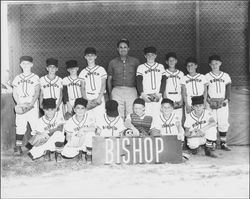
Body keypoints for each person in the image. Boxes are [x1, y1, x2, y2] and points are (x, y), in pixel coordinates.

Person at [12, 56, 40, 155]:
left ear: (32, 65)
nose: (26, 65)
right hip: (21, 104)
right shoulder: (17, 78)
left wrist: (31, 104)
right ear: (20, 65)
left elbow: (37, 92)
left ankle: (32, 147)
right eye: (23, 63)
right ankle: (18, 147)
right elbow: (15, 93)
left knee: (35, 126)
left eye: (28, 63)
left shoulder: (35, 77)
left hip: (31, 104)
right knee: (20, 126)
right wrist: (19, 104)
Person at [107, 38, 140, 120]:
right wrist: (111, 93)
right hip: (117, 90)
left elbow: (139, 79)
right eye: (121, 47)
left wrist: (139, 92)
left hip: (131, 89)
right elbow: (109, 80)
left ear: (128, 49)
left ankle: (130, 132)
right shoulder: (112, 62)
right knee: (118, 114)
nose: (123, 49)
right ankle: (120, 131)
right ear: (117, 49)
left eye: (125, 47)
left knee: (132, 114)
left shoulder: (135, 61)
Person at [205, 55, 232, 151]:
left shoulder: (225, 75)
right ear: (209, 65)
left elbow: (228, 89)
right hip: (211, 102)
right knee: (212, 122)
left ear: (220, 63)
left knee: (223, 122)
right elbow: (205, 90)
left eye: (216, 63)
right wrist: (208, 100)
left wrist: (226, 100)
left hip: (222, 102)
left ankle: (223, 143)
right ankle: (212, 143)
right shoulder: (207, 76)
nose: (214, 65)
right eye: (212, 64)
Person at [61, 98, 96, 162]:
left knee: (91, 134)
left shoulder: (89, 117)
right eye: (78, 108)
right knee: (65, 153)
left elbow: (94, 128)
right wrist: (74, 138)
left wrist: (83, 129)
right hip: (76, 141)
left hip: (86, 140)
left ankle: (88, 154)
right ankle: (79, 152)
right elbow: (67, 138)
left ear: (85, 110)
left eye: (82, 108)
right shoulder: (70, 121)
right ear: (74, 109)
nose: (80, 110)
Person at [136, 46, 166, 118]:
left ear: (155, 55)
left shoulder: (160, 66)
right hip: (146, 95)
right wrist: (142, 94)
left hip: (157, 95)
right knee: (146, 117)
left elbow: (164, 81)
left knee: (158, 116)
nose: (150, 56)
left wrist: (160, 93)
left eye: (152, 54)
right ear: (145, 56)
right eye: (148, 55)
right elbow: (138, 82)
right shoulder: (141, 67)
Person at [78, 47, 107, 117]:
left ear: (95, 57)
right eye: (88, 55)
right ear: (85, 57)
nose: (90, 57)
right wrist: (86, 101)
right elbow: (82, 88)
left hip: (98, 96)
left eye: (92, 55)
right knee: (89, 118)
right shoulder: (83, 72)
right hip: (88, 97)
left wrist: (99, 98)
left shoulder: (101, 69)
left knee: (100, 117)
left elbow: (103, 84)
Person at [164, 52, 184, 122]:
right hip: (169, 96)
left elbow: (182, 88)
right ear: (166, 62)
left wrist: (181, 100)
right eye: (170, 60)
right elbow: (163, 87)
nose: (171, 62)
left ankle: (178, 133)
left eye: (173, 60)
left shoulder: (181, 73)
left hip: (178, 97)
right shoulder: (164, 72)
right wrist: (166, 99)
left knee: (178, 119)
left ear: (176, 61)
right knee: (168, 119)